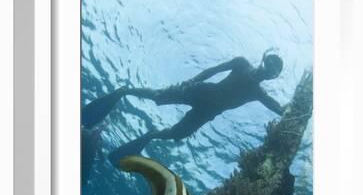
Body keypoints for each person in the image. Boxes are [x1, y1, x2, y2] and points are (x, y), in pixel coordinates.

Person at [81, 51, 285, 164]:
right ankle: (123, 91)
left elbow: (278, 107)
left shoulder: (258, 93)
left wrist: (293, 112)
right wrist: (191, 81)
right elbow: (212, 70)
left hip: (208, 113)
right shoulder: (242, 63)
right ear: (263, 60)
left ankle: (151, 135)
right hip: (201, 91)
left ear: (274, 77)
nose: (269, 70)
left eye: (274, 71)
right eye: (270, 64)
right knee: (158, 97)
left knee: (178, 134)